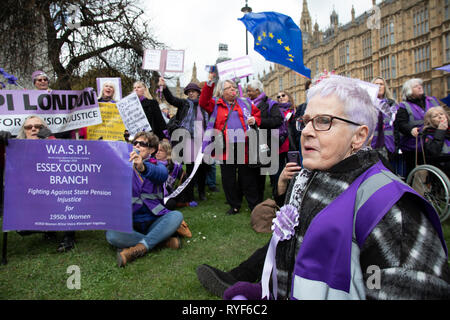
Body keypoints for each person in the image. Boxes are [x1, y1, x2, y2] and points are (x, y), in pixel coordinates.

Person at [197, 76, 450, 300]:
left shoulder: (394, 211)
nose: (306, 131)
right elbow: (298, 254)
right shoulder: (311, 175)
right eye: (306, 121)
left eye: (324, 121)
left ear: (359, 136)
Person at [106, 131, 184, 267]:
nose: (137, 146)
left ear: (151, 150)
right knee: (112, 235)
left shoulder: (157, 165)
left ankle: (136, 249)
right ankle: (163, 242)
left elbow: (162, 175)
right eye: (134, 143)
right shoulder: (123, 165)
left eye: (142, 144)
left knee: (176, 216)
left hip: (154, 219)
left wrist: (141, 167)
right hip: (132, 221)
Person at [199, 72, 262, 215]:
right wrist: (209, 84)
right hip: (225, 146)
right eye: (229, 87)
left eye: (234, 87)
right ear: (222, 91)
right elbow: (203, 102)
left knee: (248, 177)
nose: (233, 89)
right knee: (229, 178)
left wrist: (254, 120)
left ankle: (254, 205)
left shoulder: (245, 102)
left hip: (244, 145)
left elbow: (257, 115)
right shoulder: (215, 103)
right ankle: (234, 205)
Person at [12, 116, 76, 252]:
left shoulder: (55, 145)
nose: (34, 129)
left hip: (58, 196)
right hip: (34, 199)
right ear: (24, 131)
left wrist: (50, 140)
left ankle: (69, 235)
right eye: (29, 127)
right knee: (21, 228)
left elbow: (68, 168)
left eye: (38, 127)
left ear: (44, 129)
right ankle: (50, 227)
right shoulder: (17, 152)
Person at [159, 78, 209, 202]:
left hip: (202, 140)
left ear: (198, 93)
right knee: (191, 168)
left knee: (203, 168)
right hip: (188, 140)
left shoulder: (204, 106)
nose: (191, 93)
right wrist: (164, 88)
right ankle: (190, 195)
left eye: (193, 91)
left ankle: (202, 192)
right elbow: (171, 99)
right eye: (188, 92)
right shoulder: (184, 104)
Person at [395, 78, 441, 178]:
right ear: (409, 91)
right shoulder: (404, 106)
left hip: (434, 143)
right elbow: (401, 124)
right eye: (416, 86)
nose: (420, 87)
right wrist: (410, 129)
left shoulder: (432, 101)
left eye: (420, 85)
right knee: (416, 174)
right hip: (414, 147)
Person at [370, 77, 398, 167]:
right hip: (371, 144)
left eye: (381, 84)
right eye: (376, 84)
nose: (379, 86)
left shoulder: (392, 104)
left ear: (385, 87)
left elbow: (397, 126)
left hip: (388, 145)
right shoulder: (366, 104)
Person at [272, 90, 297, 190]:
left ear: (289, 97)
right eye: (278, 97)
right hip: (279, 145)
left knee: (293, 170)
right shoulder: (275, 111)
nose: (281, 97)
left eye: (283, 95)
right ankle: (279, 192)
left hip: (291, 145)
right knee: (278, 172)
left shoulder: (295, 111)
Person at [422, 106, 450, 176]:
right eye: (435, 116)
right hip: (441, 165)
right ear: (430, 120)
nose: (440, 117)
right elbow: (434, 152)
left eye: (441, 114)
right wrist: (441, 131)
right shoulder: (428, 133)